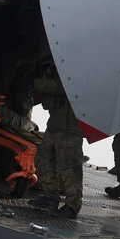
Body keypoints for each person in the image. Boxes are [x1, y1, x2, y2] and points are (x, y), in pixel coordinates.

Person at [26, 61, 84, 219]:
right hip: (56, 121)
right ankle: (50, 197)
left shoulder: (77, 65)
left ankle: (72, 206)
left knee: (69, 165)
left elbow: (61, 85)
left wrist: (34, 82)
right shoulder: (63, 62)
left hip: (70, 124)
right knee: (43, 157)